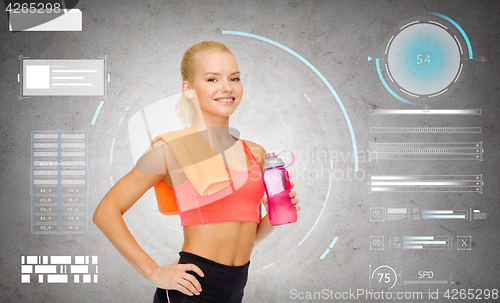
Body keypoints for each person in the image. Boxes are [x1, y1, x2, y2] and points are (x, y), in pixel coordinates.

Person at [93, 41, 300, 303]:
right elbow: (106, 212)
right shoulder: (172, 150)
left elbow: (250, 237)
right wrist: (155, 272)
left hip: (236, 287)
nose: (227, 87)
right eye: (212, 79)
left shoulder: (255, 153)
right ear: (188, 89)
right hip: (192, 288)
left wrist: (275, 213)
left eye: (234, 78)